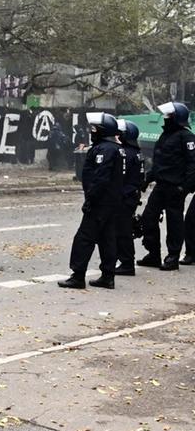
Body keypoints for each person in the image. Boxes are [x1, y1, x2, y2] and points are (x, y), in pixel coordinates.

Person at [59, 112, 124, 290]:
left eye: (95, 129)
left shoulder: (106, 150)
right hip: (111, 202)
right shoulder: (114, 148)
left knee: (84, 238)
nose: (92, 132)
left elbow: (100, 178)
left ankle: (78, 276)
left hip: (100, 203)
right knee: (107, 238)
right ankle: (108, 276)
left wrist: (91, 199)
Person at [139, 101, 195, 271]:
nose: (165, 118)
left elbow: (193, 165)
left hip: (175, 187)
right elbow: (159, 162)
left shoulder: (187, 137)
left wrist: (184, 188)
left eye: (169, 116)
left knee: (174, 222)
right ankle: (153, 254)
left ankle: (173, 256)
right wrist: (148, 179)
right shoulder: (166, 135)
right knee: (148, 218)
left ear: (176, 117)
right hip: (161, 185)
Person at [114, 119, 145, 276]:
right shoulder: (136, 152)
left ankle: (126, 263)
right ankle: (125, 261)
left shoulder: (126, 153)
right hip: (131, 196)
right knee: (123, 229)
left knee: (123, 230)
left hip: (125, 197)